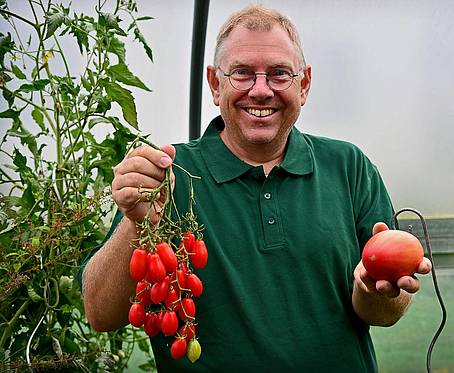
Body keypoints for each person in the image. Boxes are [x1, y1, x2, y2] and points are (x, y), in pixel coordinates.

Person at [80, 4, 431, 372]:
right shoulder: (169, 175)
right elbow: (101, 313)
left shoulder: (348, 167)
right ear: (216, 84)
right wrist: (138, 223)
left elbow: (383, 313)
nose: (260, 91)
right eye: (242, 73)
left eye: (279, 74)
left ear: (304, 84)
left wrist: (374, 289)